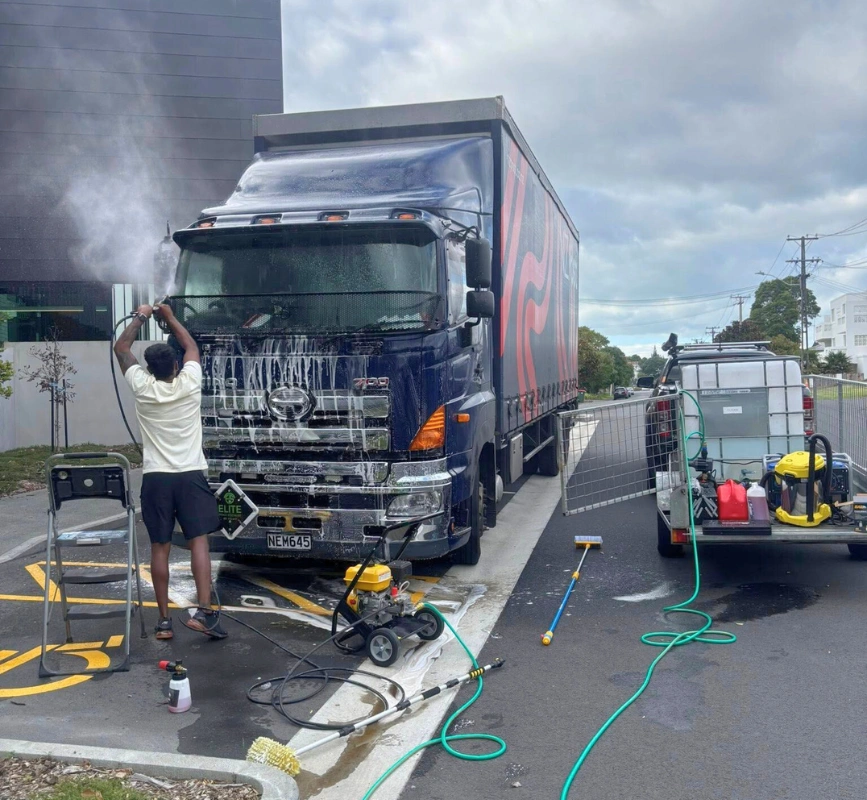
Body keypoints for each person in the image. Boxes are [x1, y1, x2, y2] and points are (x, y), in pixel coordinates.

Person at [113, 303, 227, 640]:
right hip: (190, 474)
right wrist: (169, 316)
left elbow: (121, 348)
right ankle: (204, 612)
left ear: (148, 369)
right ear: (176, 365)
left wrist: (143, 315)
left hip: (157, 478)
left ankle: (164, 622)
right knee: (199, 543)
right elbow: (192, 346)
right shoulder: (189, 382)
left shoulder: (142, 386)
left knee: (159, 545)